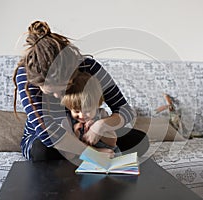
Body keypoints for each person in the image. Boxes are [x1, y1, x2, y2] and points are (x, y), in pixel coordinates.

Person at [13, 20, 149, 162]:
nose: (58, 96)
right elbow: (48, 133)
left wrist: (100, 127)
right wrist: (94, 154)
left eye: (63, 89)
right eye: (49, 92)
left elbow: (125, 111)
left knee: (140, 141)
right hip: (46, 140)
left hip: (90, 134)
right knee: (43, 152)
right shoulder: (26, 75)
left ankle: (81, 155)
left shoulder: (89, 67)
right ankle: (83, 155)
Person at [60, 69, 121, 156]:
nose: (81, 115)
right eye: (76, 111)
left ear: (97, 105)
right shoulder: (67, 121)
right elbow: (69, 155)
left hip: (109, 156)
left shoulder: (101, 115)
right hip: (82, 158)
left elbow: (113, 142)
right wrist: (75, 135)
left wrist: (99, 132)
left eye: (87, 111)